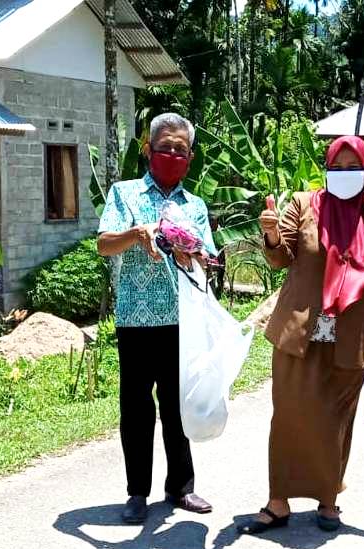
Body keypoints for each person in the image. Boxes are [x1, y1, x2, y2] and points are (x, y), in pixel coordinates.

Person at [239, 135, 364, 535]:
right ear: (326, 169)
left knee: (336, 421)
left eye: (354, 169)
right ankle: (278, 501)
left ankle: (328, 499)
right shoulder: (304, 205)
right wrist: (269, 235)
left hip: (350, 338)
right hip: (299, 332)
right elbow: (281, 258)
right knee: (289, 417)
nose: (345, 175)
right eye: (338, 167)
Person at [97, 113, 217, 524]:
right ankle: (136, 493)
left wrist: (198, 254)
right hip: (135, 319)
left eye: (180, 150)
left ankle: (181, 487)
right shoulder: (124, 194)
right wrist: (137, 233)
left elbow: (209, 256)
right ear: (148, 150)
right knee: (136, 409)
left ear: (191, 156)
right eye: (164, 147)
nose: (171, 155)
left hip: (181, 321)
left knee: (177, 406)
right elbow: (103, 244)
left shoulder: (194, 205)